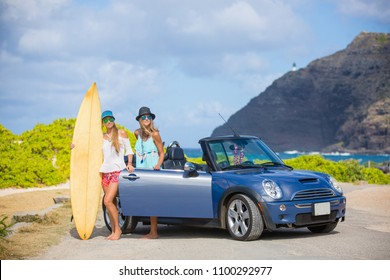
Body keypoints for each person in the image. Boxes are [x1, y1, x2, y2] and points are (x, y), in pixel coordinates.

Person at [100, 110, 134, 240]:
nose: (108, 121)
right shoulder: (101, 137)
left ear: (113, 120)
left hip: (117, 171)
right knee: (111, 202)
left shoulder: (121, 133)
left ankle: (118, 230)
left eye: (110, 119)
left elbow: (129, 149)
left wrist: (129, 163)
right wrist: (74, 146)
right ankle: (114, 230)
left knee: (107, 201)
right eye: (105, 120)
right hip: (105, 172)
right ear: (103, 122)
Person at [134, 106, 164, 239]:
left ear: (151, 119)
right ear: (140, 120)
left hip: (153, 170)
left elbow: (162, 153)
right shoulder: (137, 133)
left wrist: (158, 164)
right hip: (142, 170)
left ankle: (153, 232)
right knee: (145, 200)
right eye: (143, 117)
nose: (146, 119)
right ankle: (151, 230)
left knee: (152, 201)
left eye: (148, 117)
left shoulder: (155, 134)